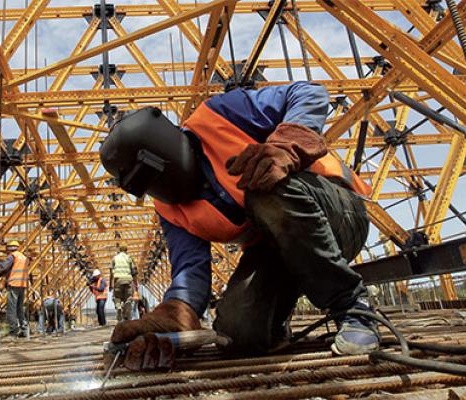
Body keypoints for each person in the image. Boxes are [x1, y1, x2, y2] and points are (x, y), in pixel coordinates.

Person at [100, 83, 375, 370]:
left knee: (262, 188)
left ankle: (354, 306)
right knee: (236, 335)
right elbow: (190, 273)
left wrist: (287, 146)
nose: (160, 191)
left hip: (339, 215)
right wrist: (172, 317)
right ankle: (273, 324)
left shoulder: (220, 114)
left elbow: (309, 92)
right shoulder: (171, 209)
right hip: (280, 252)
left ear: (166, 152)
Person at [0, 241, 31, 337]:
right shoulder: (24, 258)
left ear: (9, 249)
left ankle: (13, 330)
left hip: (14, 284)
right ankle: (24, 329)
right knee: (19, 308)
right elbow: (12, 269)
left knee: (11, 309)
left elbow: (4, 267)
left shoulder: (12, 256)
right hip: (22, 284)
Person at [110, 245, 136, 321]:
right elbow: (134, 272)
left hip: (118, 280)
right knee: (129, 297)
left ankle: (118, 306)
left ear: (119, 250)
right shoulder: (129, 258)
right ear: (126, 250)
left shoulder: (114, 258)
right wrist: (135, 284)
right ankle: (127, 302)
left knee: (116, 297)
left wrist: (111, 284)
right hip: (128, 280)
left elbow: (111, 272)